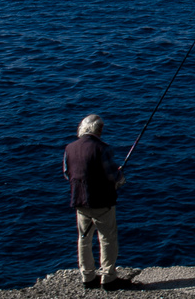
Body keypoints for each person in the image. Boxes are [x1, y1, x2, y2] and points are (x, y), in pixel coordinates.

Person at [63, 114, 128, 290]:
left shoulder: (69, 148)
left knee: (84, 238)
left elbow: (67, 173)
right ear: (99, 130)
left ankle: (88, 277)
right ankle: (108, 278)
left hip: (79, 201)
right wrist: (120, 175)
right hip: (102, 202)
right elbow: (113, 177)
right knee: (107, 238)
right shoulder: (103, 149)